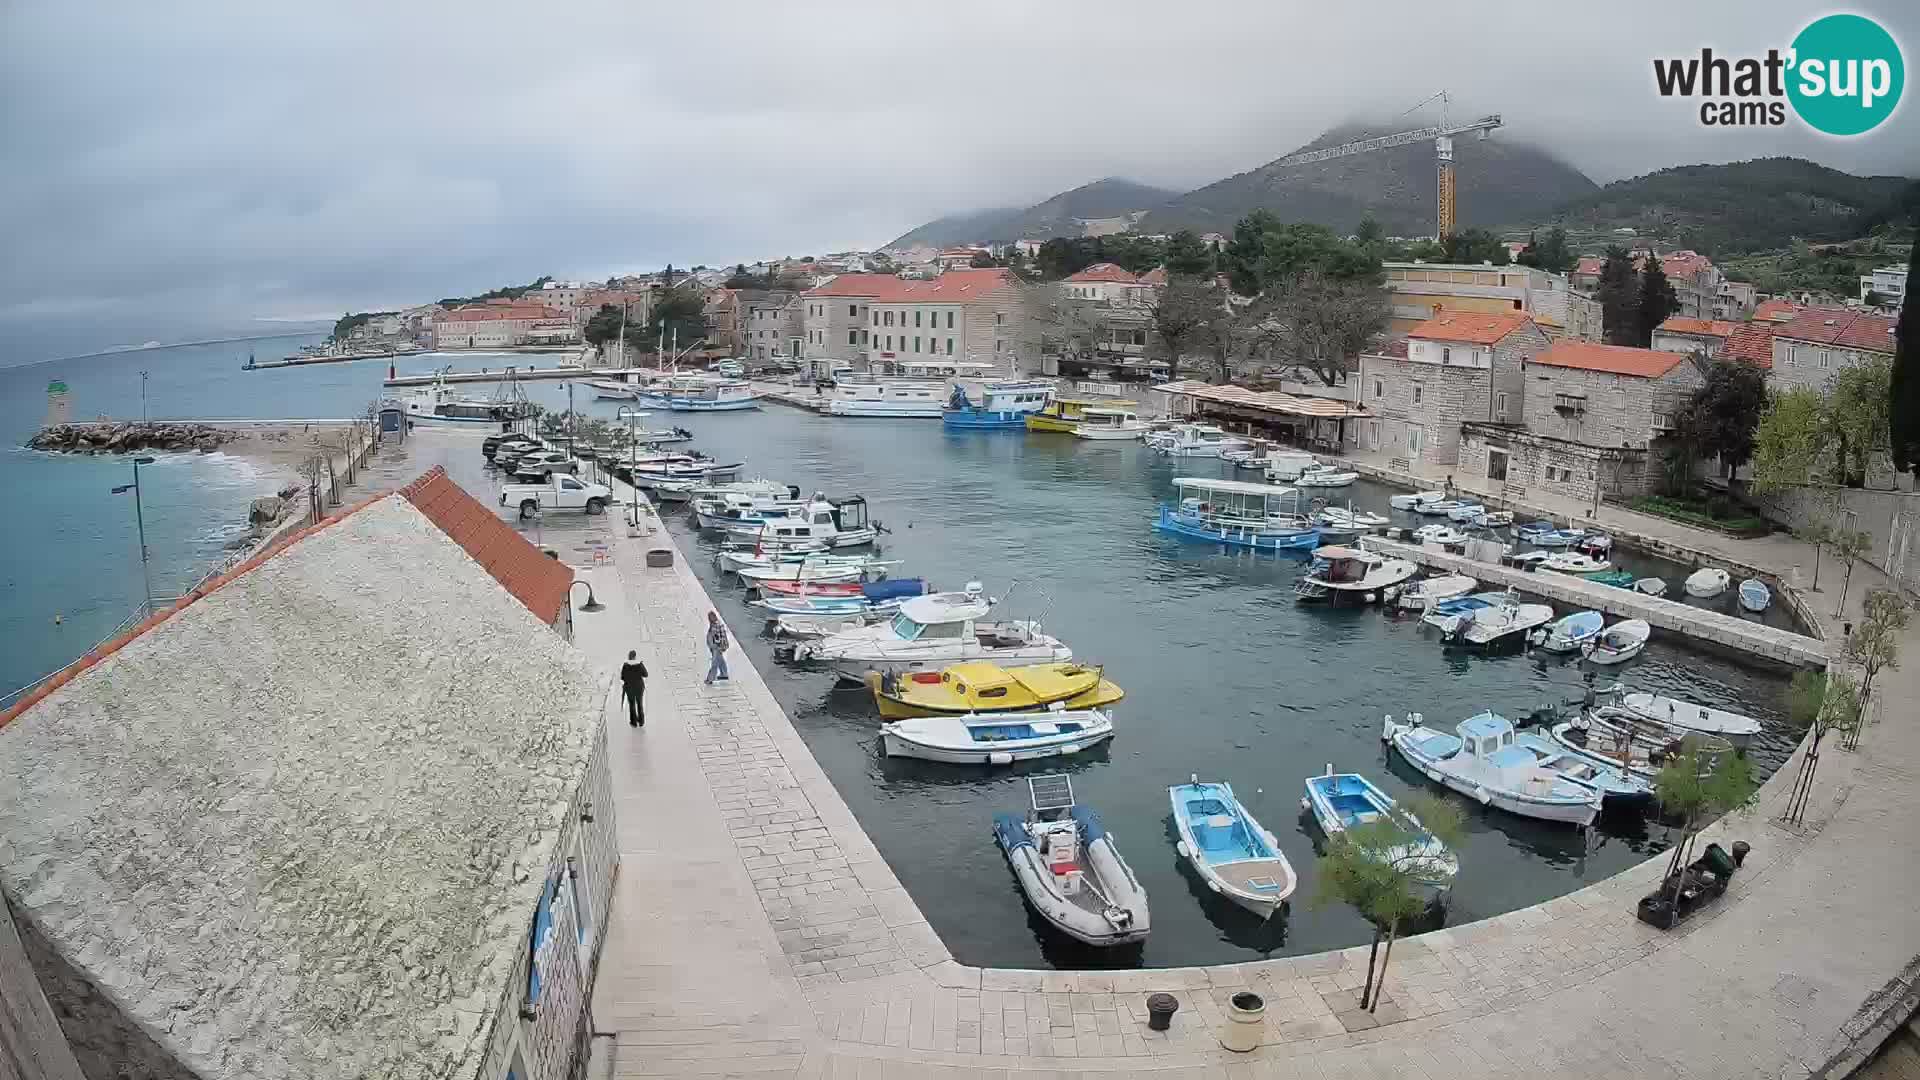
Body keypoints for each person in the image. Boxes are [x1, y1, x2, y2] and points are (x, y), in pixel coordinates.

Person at [620, 650, 649, 727]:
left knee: (632, 704)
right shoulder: (640, 664)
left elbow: (622, 677)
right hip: (639, 688)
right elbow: (646, 674)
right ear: (635, 657)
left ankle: (634, 722)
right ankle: (641, 721)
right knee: (639, 703)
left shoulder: (625, 665)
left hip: (629, 688)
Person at [704, 611, 730, 685]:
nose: (709, 619)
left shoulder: (717, 625)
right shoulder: (714, 624)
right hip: (715, 646)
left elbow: (722, 636)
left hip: (716, 647)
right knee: (721, 660)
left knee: (714, 663)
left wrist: (722, 646)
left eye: (710, 617)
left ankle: (710, 679)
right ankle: (724, 674)